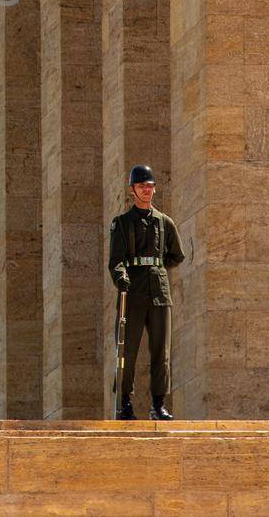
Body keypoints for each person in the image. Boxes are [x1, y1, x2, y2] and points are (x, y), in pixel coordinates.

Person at [107, 163, 185, 420]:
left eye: (150, 186)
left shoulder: (165, 222)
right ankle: (125, 402)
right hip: (133, 290)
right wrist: (122, 277)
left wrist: (158, 269)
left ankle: (158, 404)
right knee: (127, 350)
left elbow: (176, 255)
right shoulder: (122, 223)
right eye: (142, 186)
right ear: (132, 190)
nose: (147, 190)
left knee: (161, 351)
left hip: (159, 291)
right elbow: (116, 260)